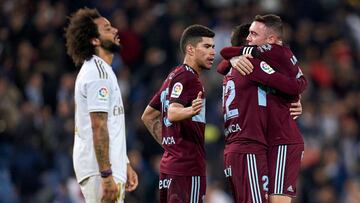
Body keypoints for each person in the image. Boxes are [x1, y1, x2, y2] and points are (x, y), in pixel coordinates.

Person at [217, 23, 307, 203]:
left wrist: (231, 59)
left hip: (242, 146)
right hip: (253, 144)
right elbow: (291, 85)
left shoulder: (229, 72)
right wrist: (296, 93)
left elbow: (222, 65)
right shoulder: (253, 66)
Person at [64, 8, 138, 203]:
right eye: (107, 28)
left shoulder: (103, 71)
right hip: (101, 171)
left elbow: (110, 125)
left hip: (108, 167)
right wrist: (106, 175)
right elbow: (98, 125)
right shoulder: (97, 73)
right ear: (95, 40)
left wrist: (125, 163)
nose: (115, 30)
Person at [141, 24, 215, 203]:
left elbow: (148, 116)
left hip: (170, 166)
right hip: (188, 168)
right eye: (206, 47)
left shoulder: (173, 76)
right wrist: (192, 109)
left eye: (213, 47)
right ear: (190, 49)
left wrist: (170, 147)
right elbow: (173, 113)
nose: (212, 52)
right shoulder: (189, 78)